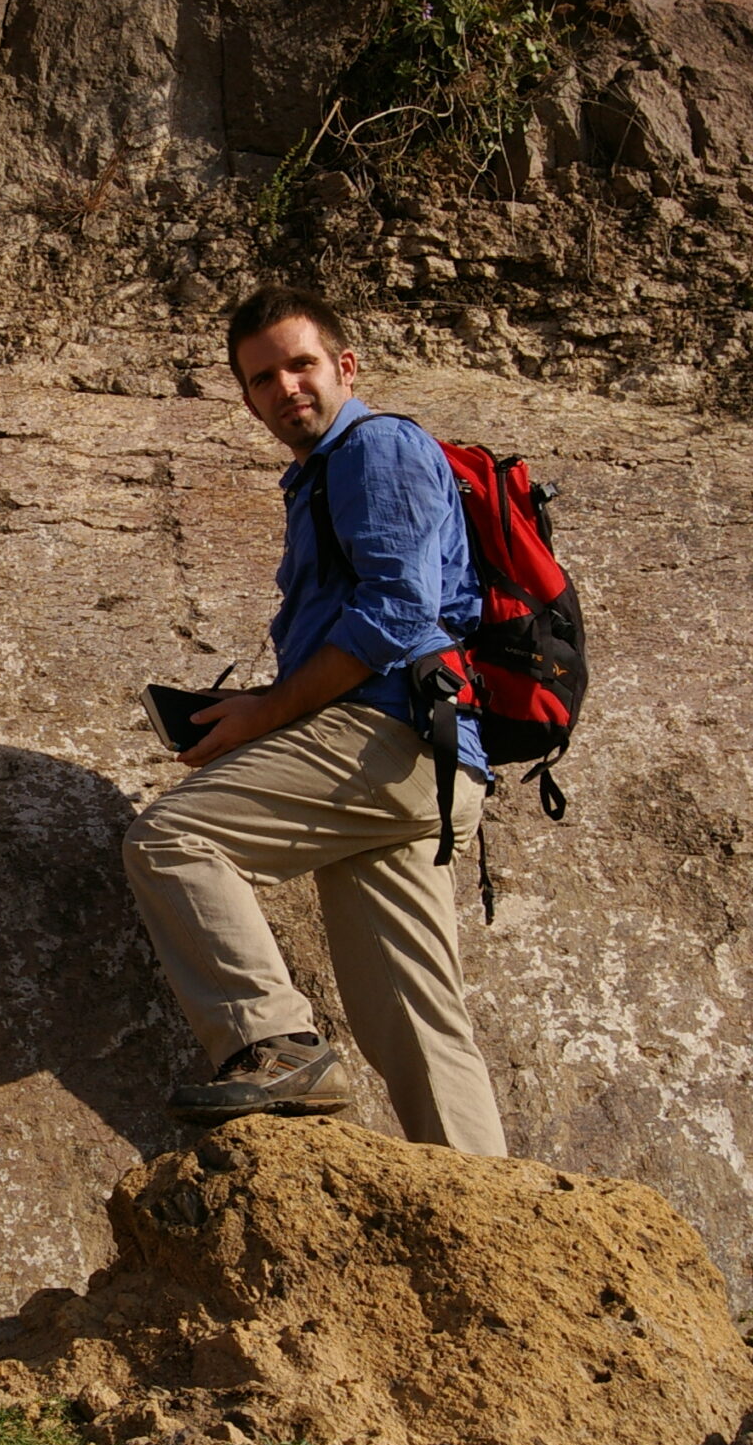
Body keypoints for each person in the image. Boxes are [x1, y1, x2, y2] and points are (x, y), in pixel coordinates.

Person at [120, 286, 508, 1157]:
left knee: (173, 840)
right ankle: (493, 1208)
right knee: (414, 1019)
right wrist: (262, 706)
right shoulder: (322, 476)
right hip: (419, 756)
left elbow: (399, 615)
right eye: (263, 379)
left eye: (301, 365)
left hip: (391, 737)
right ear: (247, 399)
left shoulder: (377, 448)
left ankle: (274, 1045)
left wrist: (267, 712)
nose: (286, 387)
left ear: (346, 366)